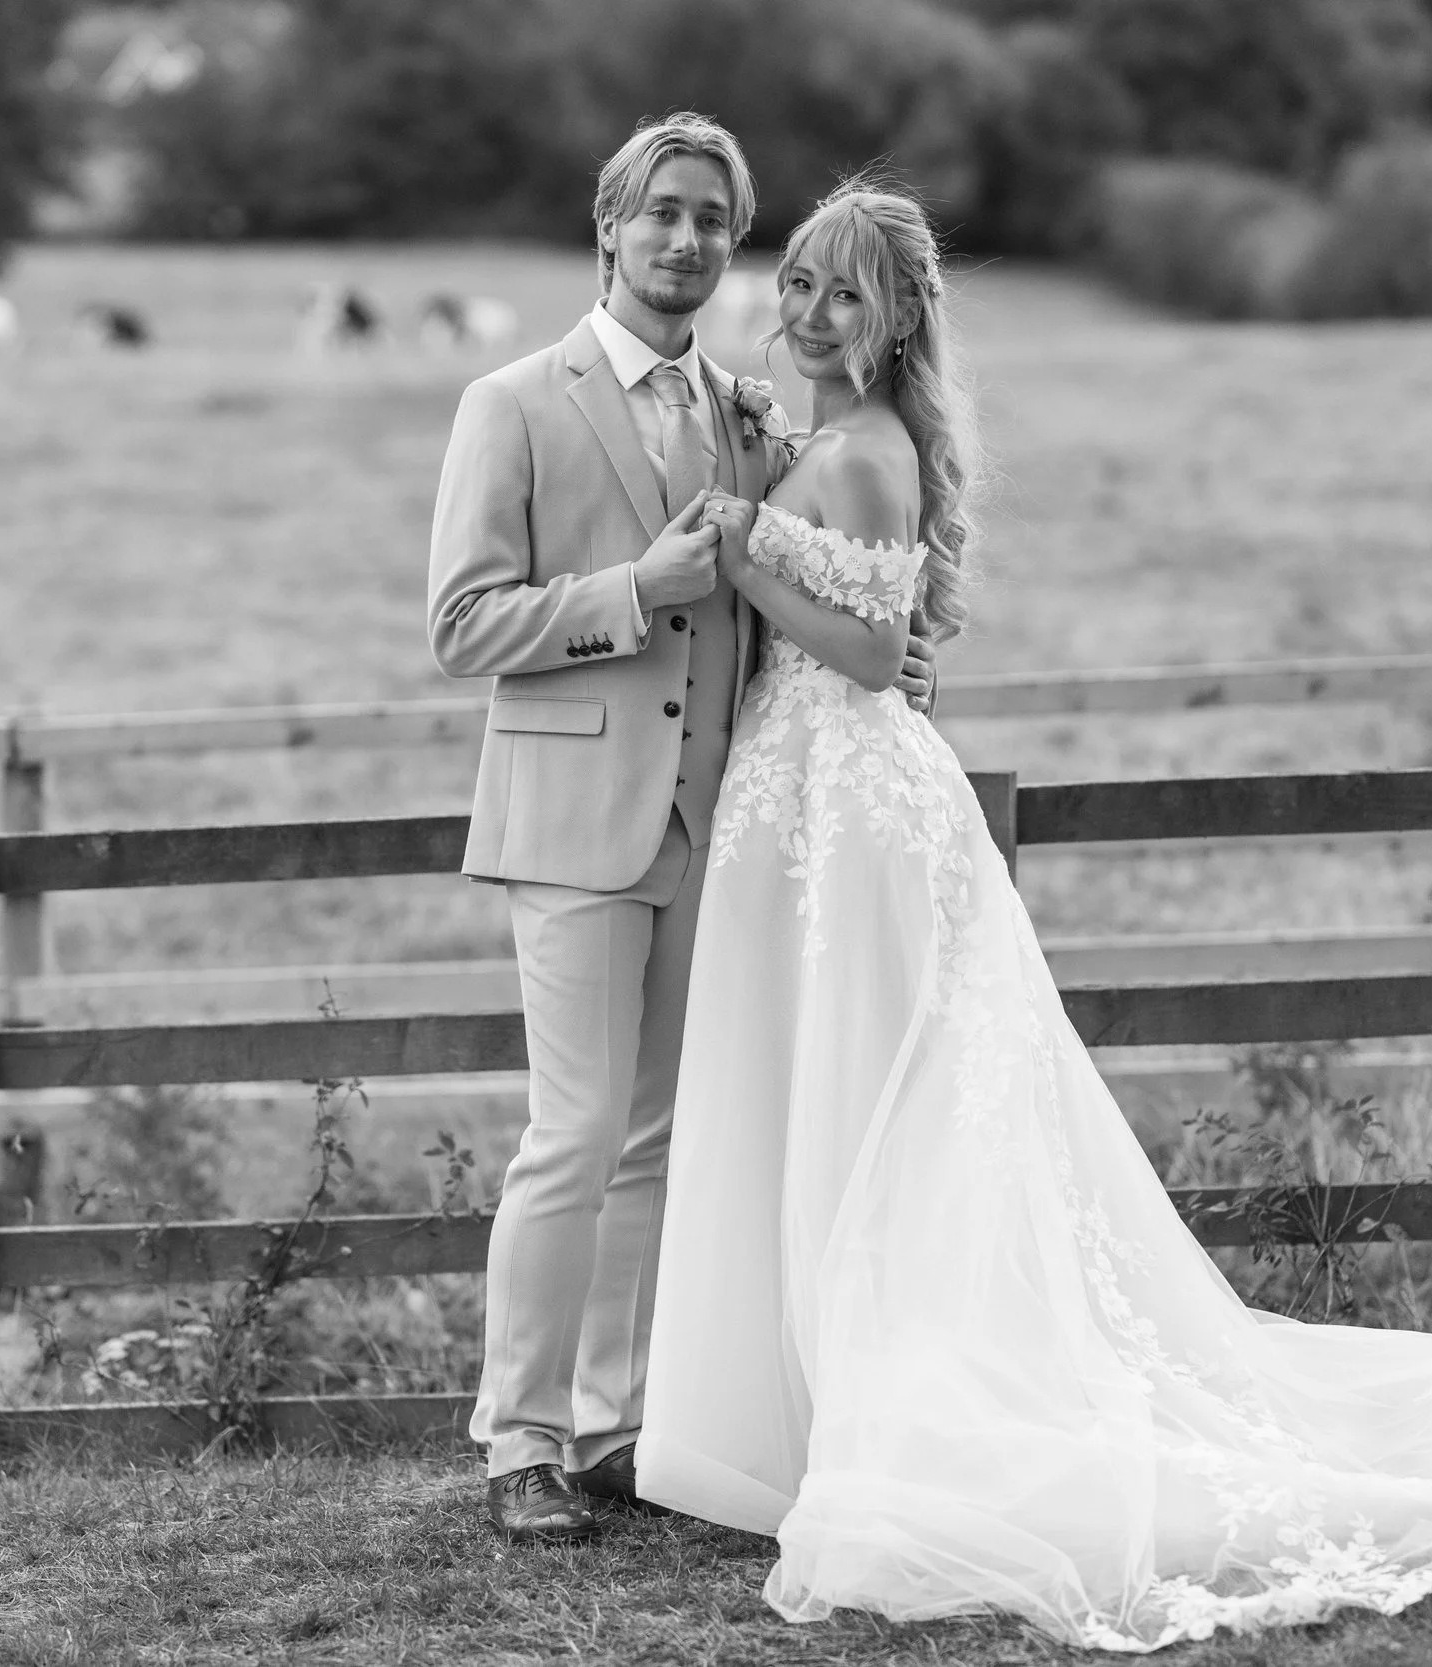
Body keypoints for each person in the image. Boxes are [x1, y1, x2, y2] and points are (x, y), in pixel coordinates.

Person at [633, 180, 1432, 1649]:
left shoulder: (867, 457)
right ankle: (805, 1409)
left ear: (896, 324)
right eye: (800, 283)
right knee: (815, 1094)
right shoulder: (815, 431)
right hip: (803, 801)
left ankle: (898, 1409)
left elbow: (875, 654)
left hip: (859, 807)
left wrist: (751, 551)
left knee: (881, 1105)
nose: (810, 312)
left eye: (844, 294)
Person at [424, 115, 935, 1544]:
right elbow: (463, 625)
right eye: (662, 212)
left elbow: (831, 591)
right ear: (610, 224)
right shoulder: (513, 402)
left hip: (719, 827)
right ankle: (516, 1439)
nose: (688, 239)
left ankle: (612, 1423)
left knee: (659, 1138)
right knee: (573, 1132)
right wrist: (631, 590)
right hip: (573, 820)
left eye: (714, 218)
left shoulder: (753, 414)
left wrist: (889, 656)